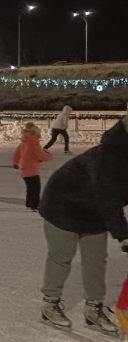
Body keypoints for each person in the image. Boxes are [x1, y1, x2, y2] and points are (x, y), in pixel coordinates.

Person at [37, 117, 128, 333]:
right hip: (62, 205)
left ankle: (93, 309)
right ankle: (50, 304)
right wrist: (125, 235)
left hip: (94, 211)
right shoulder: (111, 158)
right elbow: (109, 199)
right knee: (61, 258)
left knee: (96, 260)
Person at [13, 123, 52, 211]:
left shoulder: (24, 142)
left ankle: (29, 204)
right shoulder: (34, 143)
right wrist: (48, 157)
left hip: (24, 168)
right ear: (35, 133)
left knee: (30, 188)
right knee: (35, 188)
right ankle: (34, 205)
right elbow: (40, 155)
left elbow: (17, 153)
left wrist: (15, 162)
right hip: (32, 169)